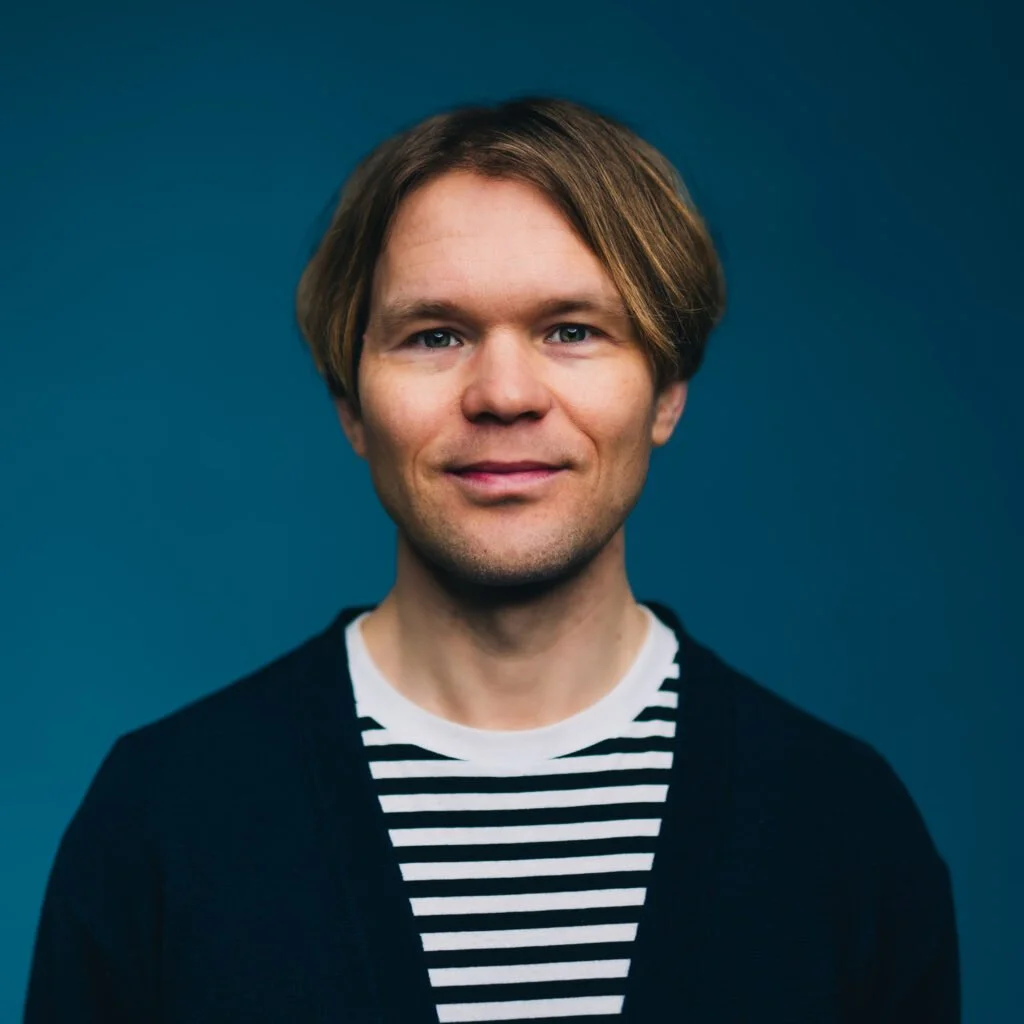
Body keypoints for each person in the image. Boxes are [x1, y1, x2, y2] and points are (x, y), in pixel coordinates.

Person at [24, 96, 960, 1023]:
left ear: (667, 390)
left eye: (572, 330)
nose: (505, 394)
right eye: (436, 335)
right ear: (351, 404)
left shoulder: (844, 828)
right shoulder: (161, 820)